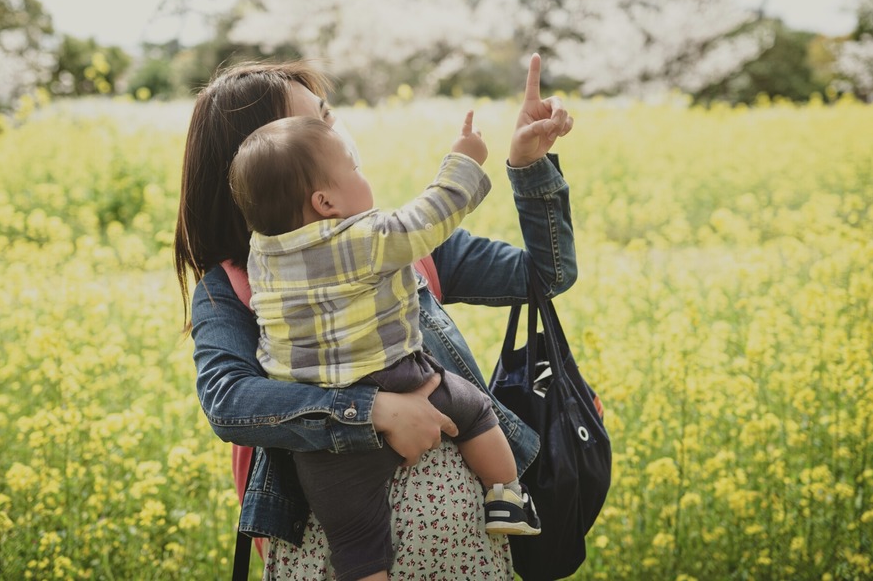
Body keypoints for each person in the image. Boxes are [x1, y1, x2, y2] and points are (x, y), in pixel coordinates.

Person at [176, 54, 576, 580]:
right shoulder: (232, 286)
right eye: (317, 122)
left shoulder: (392, 243)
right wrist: (371, 409)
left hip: (467, 552)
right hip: (324, 553)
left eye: (329, 114)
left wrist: (528, 166)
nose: (336, 130)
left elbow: (543, 276)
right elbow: (228, 403)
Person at [228, 111, 540, 581]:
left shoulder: (260, 258)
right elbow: (428, 216)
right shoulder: (363, 239)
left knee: (355, 545)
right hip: (402, 379)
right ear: (325, 200)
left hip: (325, 442)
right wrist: (465, 160)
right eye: (354, 167)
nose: (363, 173)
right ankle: (507, 496)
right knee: (476, 410)